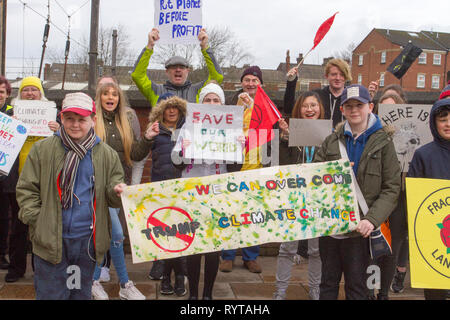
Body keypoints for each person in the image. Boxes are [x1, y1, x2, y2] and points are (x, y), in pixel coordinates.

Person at [16, 92, 126, 300]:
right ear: (61, 118)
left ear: (93, 121)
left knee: (79, 295)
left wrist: (117, 192)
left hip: (86, 243)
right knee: (51, 295)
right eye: (70, 119)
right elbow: (26, 189)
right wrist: (38, 221)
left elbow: (112, 192)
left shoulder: (106, 154)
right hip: (51, 243)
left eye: (82, 119)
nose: (75, 125)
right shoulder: (43, 150)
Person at [314, 84, 401, 300]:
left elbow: (392, 187)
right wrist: (331, 175)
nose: (354, 110)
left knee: (358, 289)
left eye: (359, 105)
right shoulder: (331, 141)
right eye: (349, 106)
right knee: (327, 285)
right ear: (342, 109)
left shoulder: (384, 143)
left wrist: (371, 220)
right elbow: (314, 178)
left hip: (362, 230)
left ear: (370, 107)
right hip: (332, 228)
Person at [172, 83, 243, 300]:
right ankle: (193, 294)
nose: (212, 104)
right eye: (207, 100)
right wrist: (184, 148)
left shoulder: (232, 129)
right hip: (193, 191)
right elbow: (176, 162)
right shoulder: (186, 127)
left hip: (218, 192)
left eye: (216, 100)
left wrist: (241, 147)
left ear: (222, 104)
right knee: (194, 246)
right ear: (200, 103)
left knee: (213, 248)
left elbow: (235, 168)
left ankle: (208, 295)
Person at [90, 81, 153, 300]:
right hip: (95, 188)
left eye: (114, 94)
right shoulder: (92, 121)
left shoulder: (124, 121)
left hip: (117, 188)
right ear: (99, 98)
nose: (110, 97)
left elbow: (135, 154)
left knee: (114, 235)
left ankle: (99, 281)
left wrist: (147, 138)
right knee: (115, 233)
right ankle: (123, 283)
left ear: (119, 99)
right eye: (105, 94)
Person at [4, 76, 59, 283]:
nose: (29, 93)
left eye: (33, 90)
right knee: (19, 226)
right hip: (18, 179)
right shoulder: (11, 113)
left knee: (42, 227)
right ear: (20, 94)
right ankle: (16, 268)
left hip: (44, 179)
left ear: (40, 93)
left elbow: (66, 143)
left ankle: (41, 269)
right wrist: (10, 125)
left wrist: (58, 130)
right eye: (25, 90)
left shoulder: (52, 115)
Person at [273, 91, 324, 300]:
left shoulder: (329, 135)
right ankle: (280, 293)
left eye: (313, 105)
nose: (310, 109)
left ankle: (315, 291)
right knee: (286, 249)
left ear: (320, 109)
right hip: (293, 199)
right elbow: (280, 167)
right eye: (305, 106)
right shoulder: (288, 133)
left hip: (319, 200)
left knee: (316, 251)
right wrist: (285, 139)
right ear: (298, 110)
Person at [220, 66, 265, 274]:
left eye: (254, 80)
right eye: (247, 80)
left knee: (254, 214)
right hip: (235, 165)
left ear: (260, 84)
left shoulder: (266, 104)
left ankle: (250, 256)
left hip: (257, 165)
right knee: (230, 212)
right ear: (241, 83)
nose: (250, 84)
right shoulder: (232, 102)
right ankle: (227, 255)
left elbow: (271, 125)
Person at [407, 92, 450, 300]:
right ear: (434, 123)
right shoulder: (423, 155)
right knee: (435, 294)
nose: (448, 124)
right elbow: (414, 198)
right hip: (433, 239)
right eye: (443, 120)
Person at [145, 93, 187, 296]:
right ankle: (164, 275)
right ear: (160, 111)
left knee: (180, 234)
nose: (171, 111)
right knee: (163, 232)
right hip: (159, 189)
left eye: (175, 108)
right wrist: (146, 138)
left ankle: (180, 275)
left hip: (182, 190)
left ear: (181, 111)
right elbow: (137, 155)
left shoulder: (188, 132)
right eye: (167, 108)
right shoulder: (154, 131)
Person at [368, 92, 408, 300]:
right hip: (375, 197)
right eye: (383, 109)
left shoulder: (409, 137)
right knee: (370, 248)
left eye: (391, 109)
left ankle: (383, 293)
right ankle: (369, 290)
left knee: (393, 248)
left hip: (400, 198)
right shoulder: (372, 134)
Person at [131, 28, 223, 106]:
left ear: (188, 71)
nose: (178, 70)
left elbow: (217, 77)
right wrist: (149, 46)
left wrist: (205, 47)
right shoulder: (156, 90)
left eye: (182, 67)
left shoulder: (198, 90)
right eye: (174, 67)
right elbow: (137, 75)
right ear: (166, 71)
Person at [0, 76, 13, 271]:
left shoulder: (13, 113)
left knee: (3, 216)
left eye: (1, 92)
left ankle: (1, 253)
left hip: (4, 173)